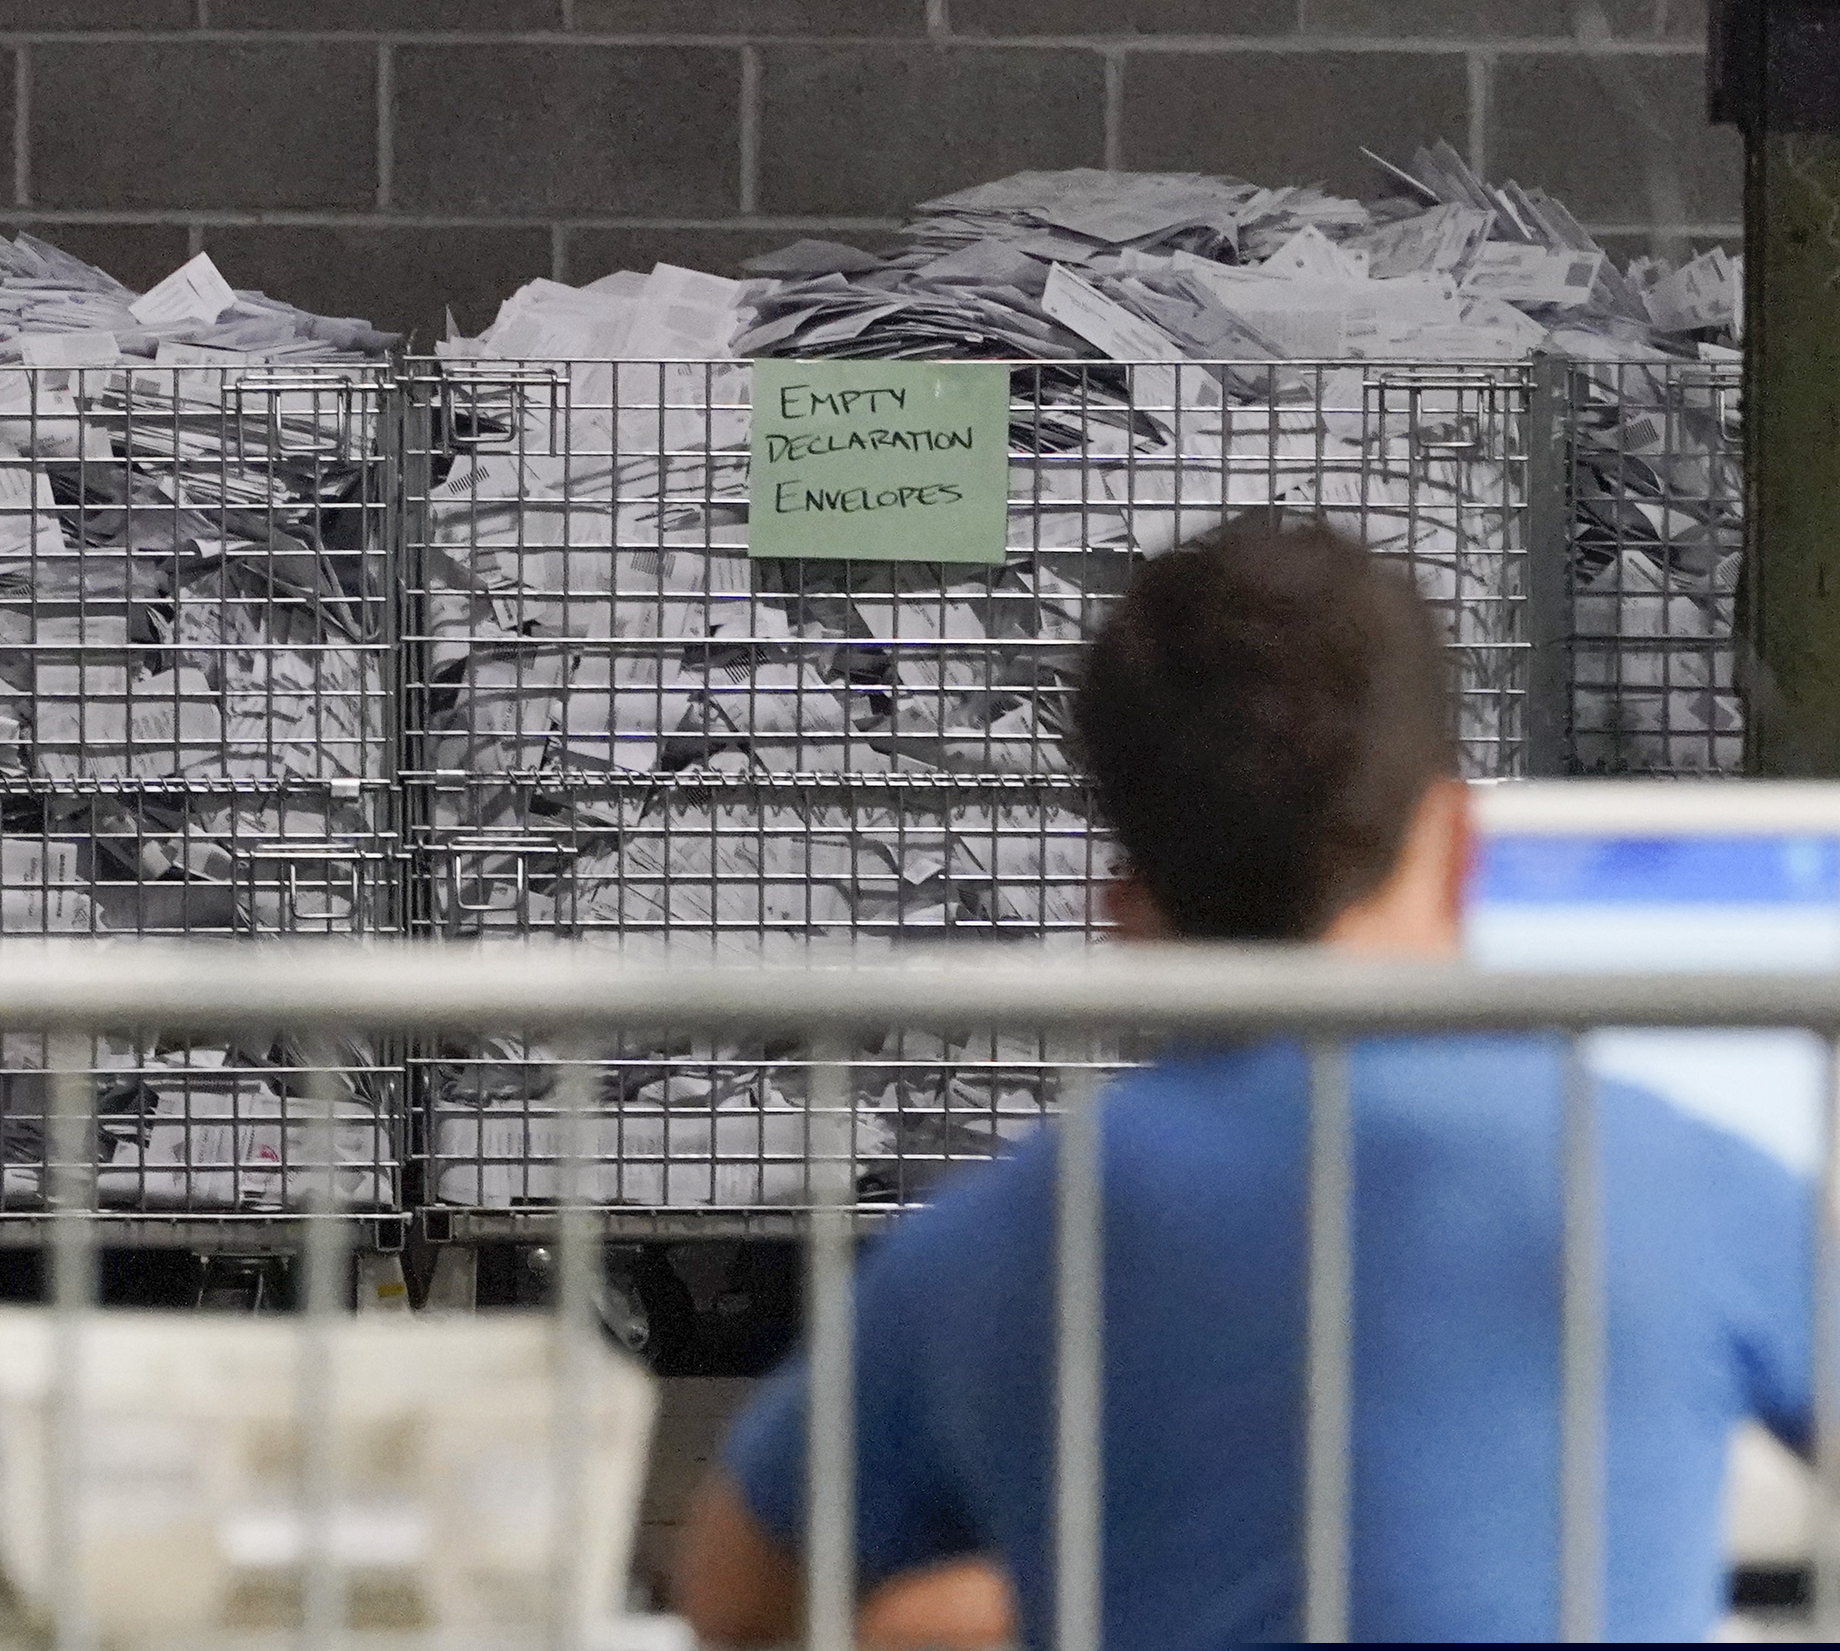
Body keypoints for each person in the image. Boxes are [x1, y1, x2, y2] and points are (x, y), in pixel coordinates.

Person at [675, 516, 1814, 1647]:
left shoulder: (1014, 1235)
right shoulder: (1674, 1176)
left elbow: (731, 1593)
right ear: (1463, 842)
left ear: (1125, 915)